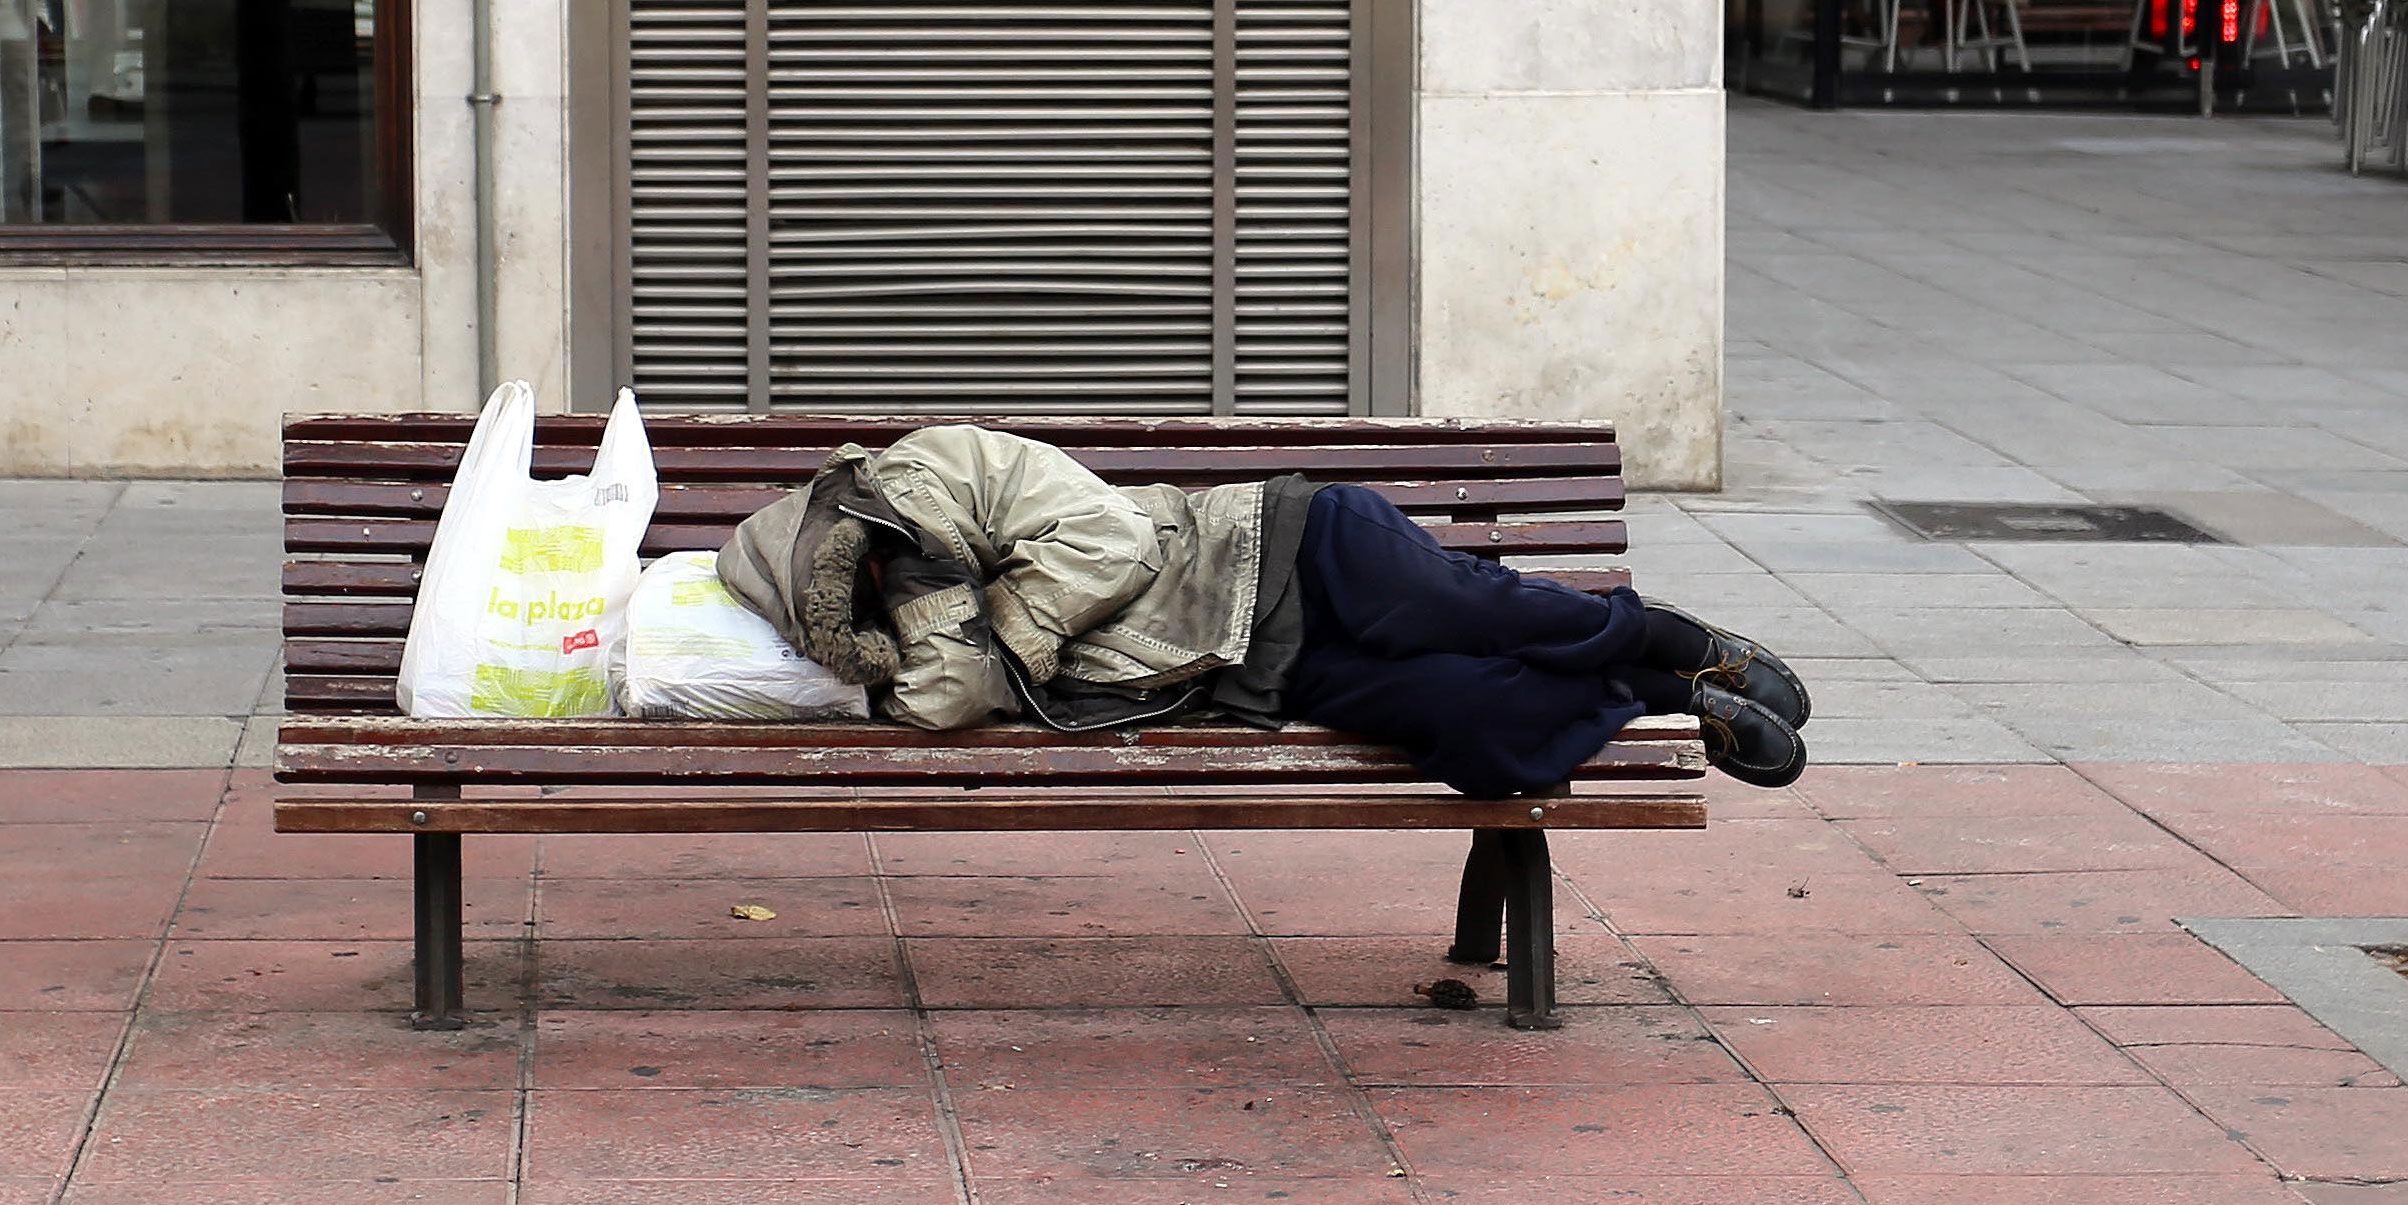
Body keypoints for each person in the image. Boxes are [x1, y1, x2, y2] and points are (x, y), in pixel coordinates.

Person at [713, 427, 1809, 793]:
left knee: (1468, 609)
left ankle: (1669, 638)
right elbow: (947, 702)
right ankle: (1658, 699)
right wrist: (944, 604)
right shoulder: (917, 610)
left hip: (1289, 548)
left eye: (882, 557)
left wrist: (990, 618)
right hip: (1249, 674)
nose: (893, 570)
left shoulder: (941, 467)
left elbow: (1110, 538)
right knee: (1473, 723)